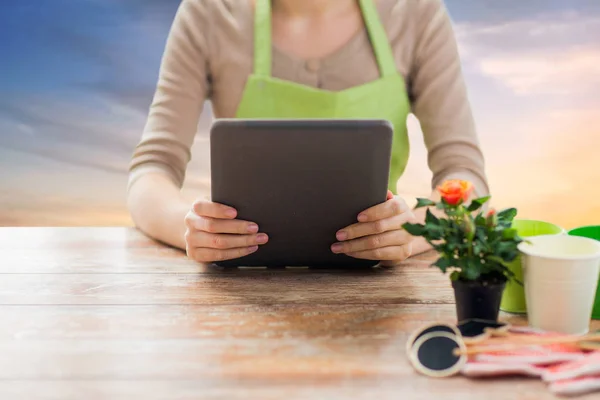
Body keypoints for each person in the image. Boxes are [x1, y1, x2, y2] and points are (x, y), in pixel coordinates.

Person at [127, 0, 489, 266]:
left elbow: (465, 174)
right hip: (244, 291)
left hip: (377, 283)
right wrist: (191, 228)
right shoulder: (209, 13)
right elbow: (153, 167)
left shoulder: (417, 13)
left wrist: (416, 228)